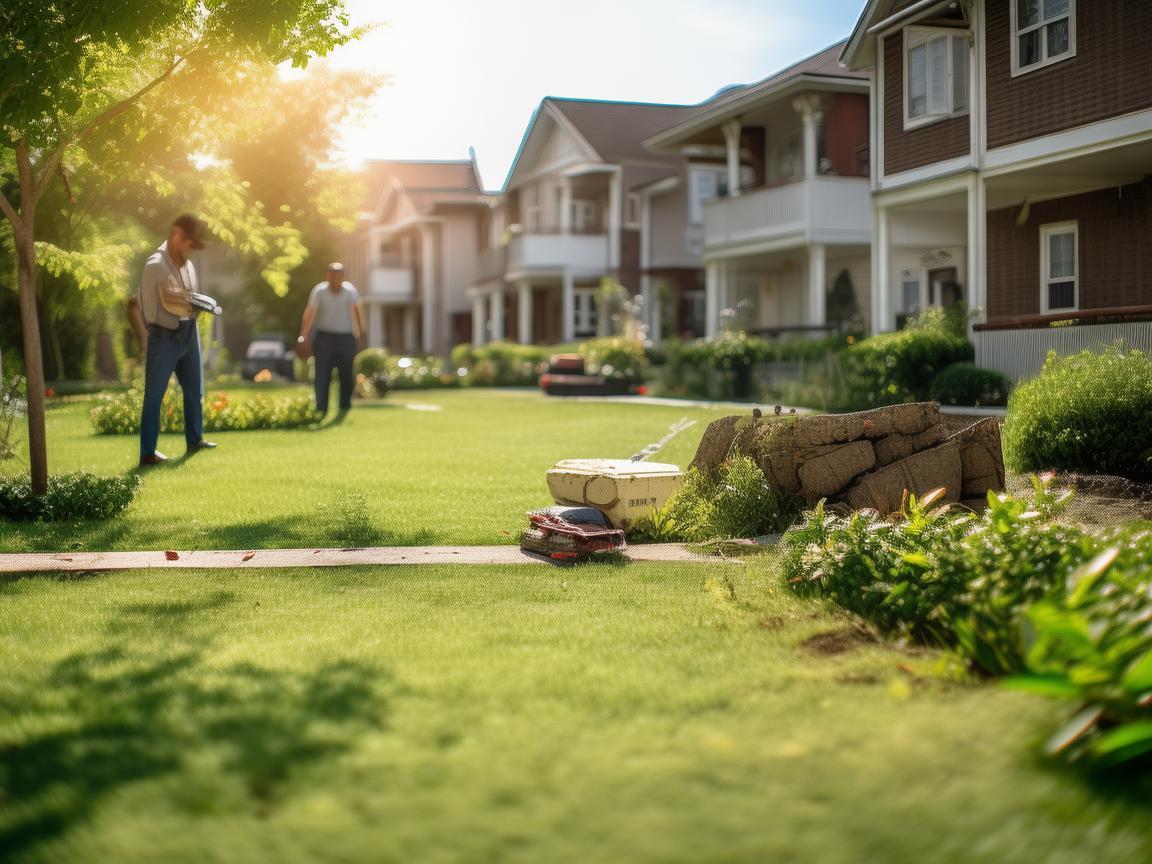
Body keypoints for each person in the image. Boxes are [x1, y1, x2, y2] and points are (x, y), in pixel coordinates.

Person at [137, 213, 217, 466]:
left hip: (188, 333)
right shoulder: (155, 266)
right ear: (175, 235)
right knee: (154, 397)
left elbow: (186, 299)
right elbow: (158, 306)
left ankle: (195, 439)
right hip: (163, 336)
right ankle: (148, 452)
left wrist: (194, 306)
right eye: (189, 243)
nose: (191, 250)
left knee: (195, 390)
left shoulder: (188, 265)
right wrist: (186, 304)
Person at [298, 262, 365, 415]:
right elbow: (310, 314)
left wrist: (360, 336)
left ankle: (345, 404)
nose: (335, 279)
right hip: (324, 338)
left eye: (338, 276)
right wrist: (303, 336)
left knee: (347, 375)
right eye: (332, 275)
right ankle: (321, 406)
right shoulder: (319, 291)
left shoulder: (350, 291)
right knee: (322, 374)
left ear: (343, 277)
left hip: (346, 338)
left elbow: (358, 313)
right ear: (327, 276)